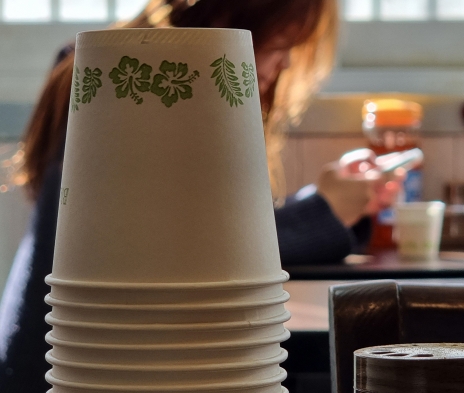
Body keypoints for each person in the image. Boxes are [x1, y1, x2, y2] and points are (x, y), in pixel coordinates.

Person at [0, 0, 392, 391]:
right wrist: (323, 213)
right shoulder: (120, 75)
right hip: (80, 367)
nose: (287, 63)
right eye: (281, 42)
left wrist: (328, 207)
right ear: (229, 15)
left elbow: (191, 231)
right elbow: (167, 251)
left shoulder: (102, 66)